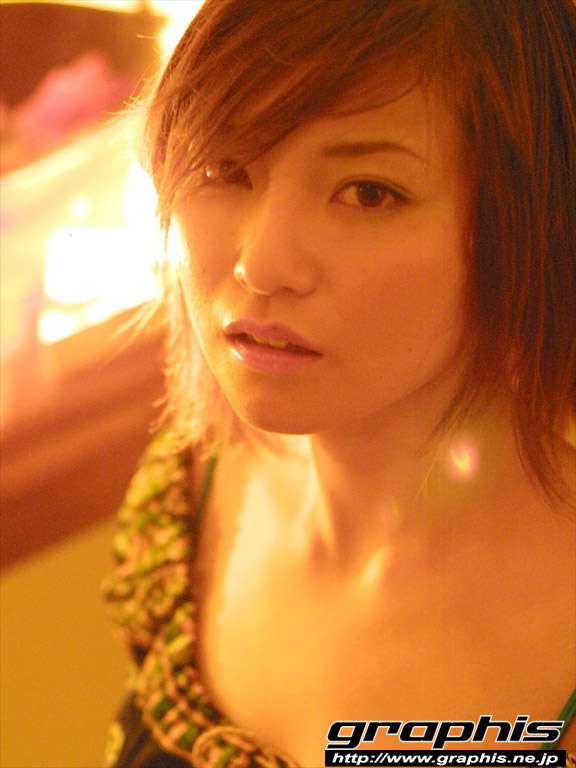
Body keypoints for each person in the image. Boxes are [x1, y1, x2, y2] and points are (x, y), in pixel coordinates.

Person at [102, 1, 576, 766]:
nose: (262, 265)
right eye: (224, 169)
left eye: (368, 192)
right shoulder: (188, 492)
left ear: (524, 224)